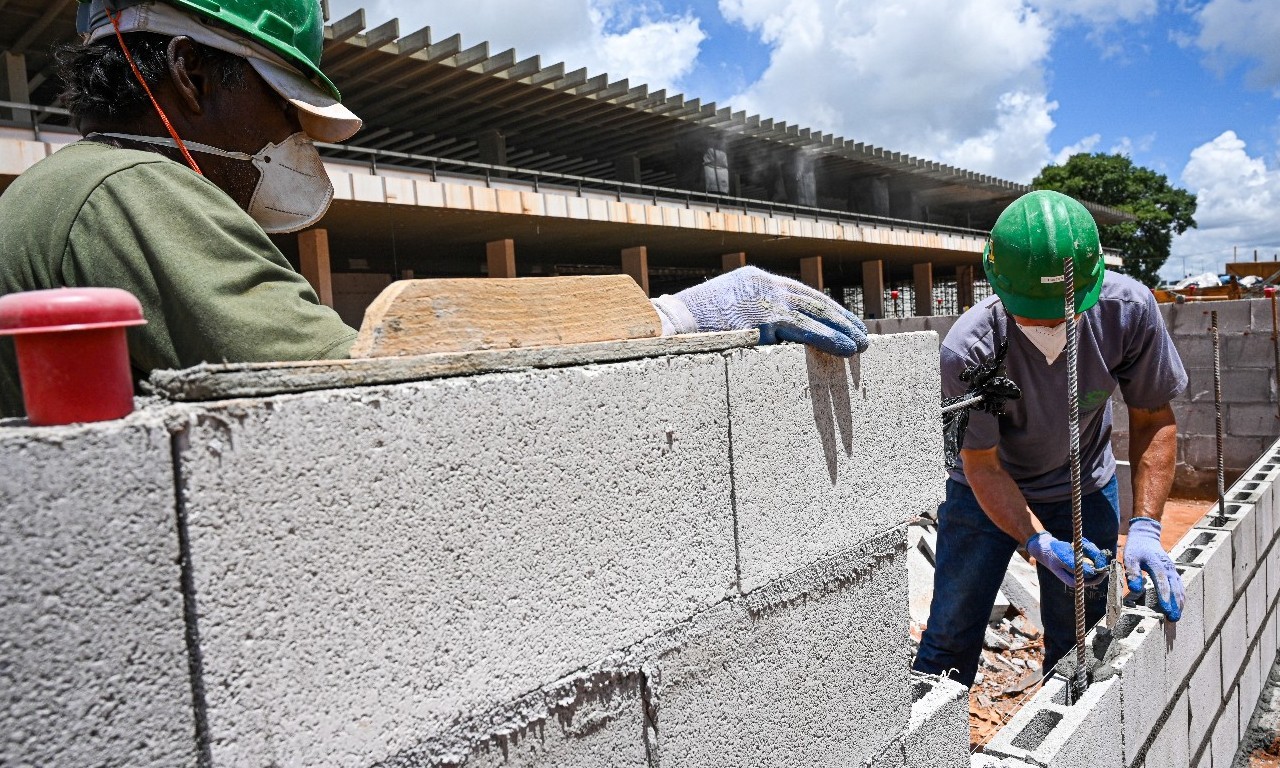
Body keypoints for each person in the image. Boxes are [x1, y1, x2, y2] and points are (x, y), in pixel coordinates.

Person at [0, 0, 868, 419]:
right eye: (284, 112)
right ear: (189, 76)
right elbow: (365, 387)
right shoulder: (136, 194)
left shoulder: (63, 188)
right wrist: (668, 319)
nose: (298, 143)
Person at [913, 189, 1188, 686]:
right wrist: (1035, 540)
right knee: (950, 637)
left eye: (1063, 313)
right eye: (1033, 315)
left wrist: (1146, 525)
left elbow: (1153, 419)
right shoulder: (969, 349)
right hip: (984, 497)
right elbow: (982, 464)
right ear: (996, 284)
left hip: (1082, 486)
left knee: (1079, 643)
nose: (1050, 327)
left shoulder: (1127, 312)